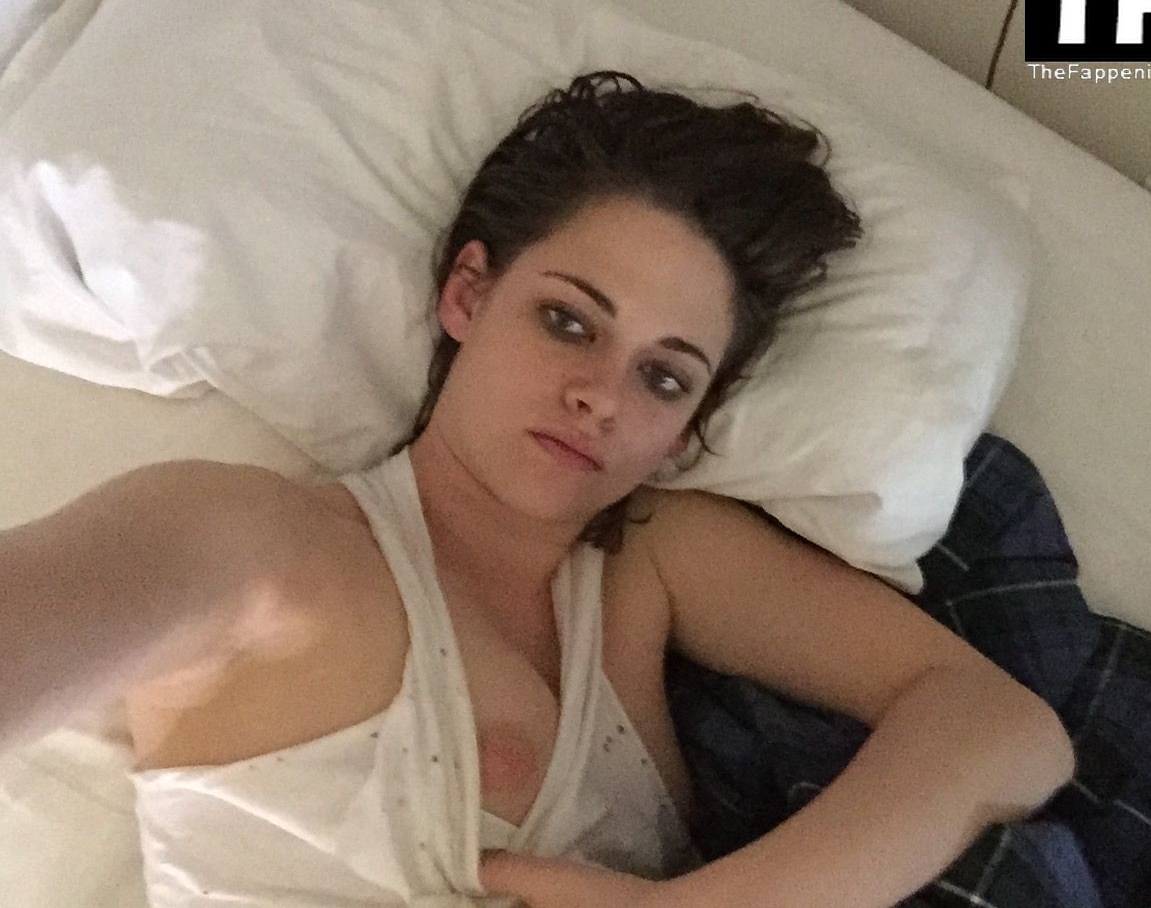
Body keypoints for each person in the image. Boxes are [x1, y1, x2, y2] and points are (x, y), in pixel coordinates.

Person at [0, 72, 1074, 907]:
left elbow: (1003, 728)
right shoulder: (260, 545)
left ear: (684, 432)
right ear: (468, 295)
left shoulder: (651, 563)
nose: (600, 395)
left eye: (663, 378)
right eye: (568, 321)